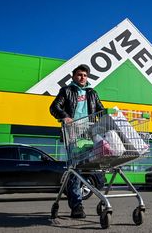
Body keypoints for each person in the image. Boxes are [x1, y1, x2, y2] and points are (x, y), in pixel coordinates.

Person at [50, 64, 104, 218]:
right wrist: (64, 116)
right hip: (72, 134)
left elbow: (101, 110)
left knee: (97, 168)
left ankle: (100, 199)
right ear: (73, 76)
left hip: (89, 135)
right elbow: (54, 107)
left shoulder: (92, 93)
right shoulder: (66, 91)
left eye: (85, 75)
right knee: (76, 170)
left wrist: (109, 119)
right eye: (79, 74)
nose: (82, 77)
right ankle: (77, 206)